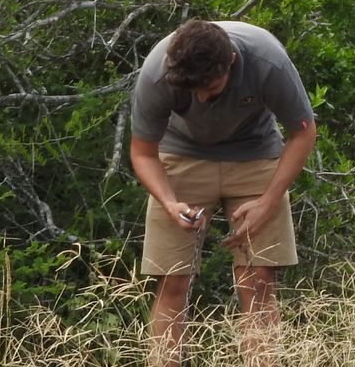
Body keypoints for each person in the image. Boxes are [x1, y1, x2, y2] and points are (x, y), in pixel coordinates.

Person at [129, 19, 318, 367]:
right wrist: (170, 203)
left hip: (255, 154)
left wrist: (268, 202)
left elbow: (303, 132)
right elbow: (142, 152)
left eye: (210, 89)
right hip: (181, 156)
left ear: (230, 61)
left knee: (257, 280)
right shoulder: (158, 70)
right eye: (193, 91)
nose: (201, 98)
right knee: (173, 279)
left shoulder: (267, 60)